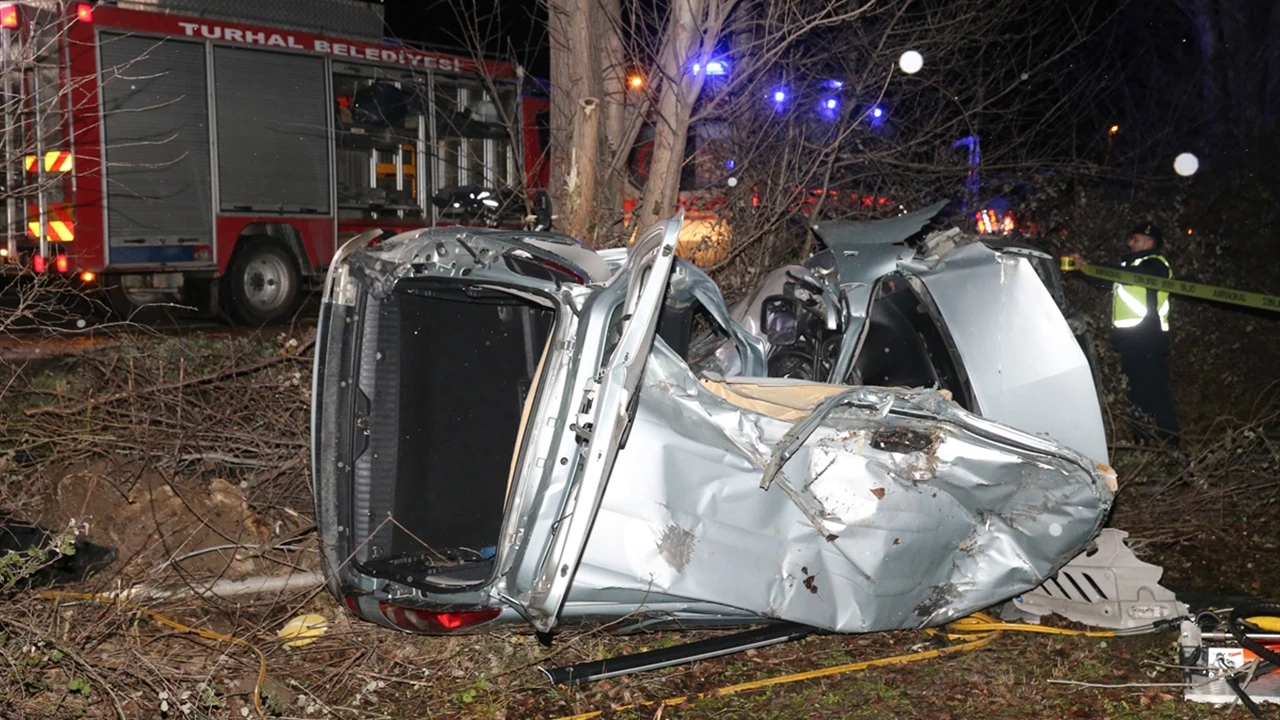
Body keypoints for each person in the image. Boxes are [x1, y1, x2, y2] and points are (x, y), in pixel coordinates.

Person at [1068, 222, 1181, 446]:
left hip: (1149, 338)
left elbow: (1133, 275)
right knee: (1135, 394)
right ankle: (1142, 443)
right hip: (1131, 340)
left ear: (1150, 243)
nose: (1130, 242)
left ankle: (1172, 444)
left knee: (1156, 392)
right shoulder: (1127, 266)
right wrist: (1084, 269)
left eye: (1136, 239)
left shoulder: (1156, 265)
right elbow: (1104, 281)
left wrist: (1096, 266)